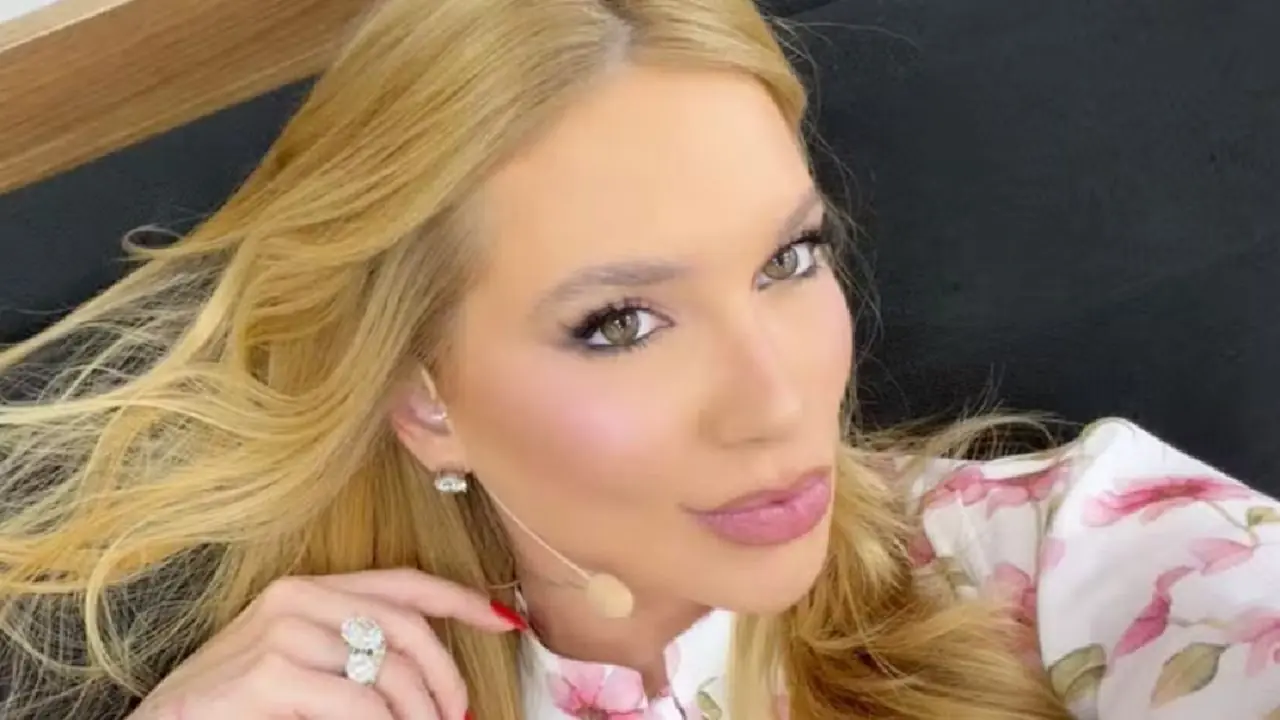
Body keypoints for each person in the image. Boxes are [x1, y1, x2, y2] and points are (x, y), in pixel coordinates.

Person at [0, 0, 1277, 718]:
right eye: (619, 322)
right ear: (422, 397)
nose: (777, 400)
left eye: (787, 260)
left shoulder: (1073, 556)